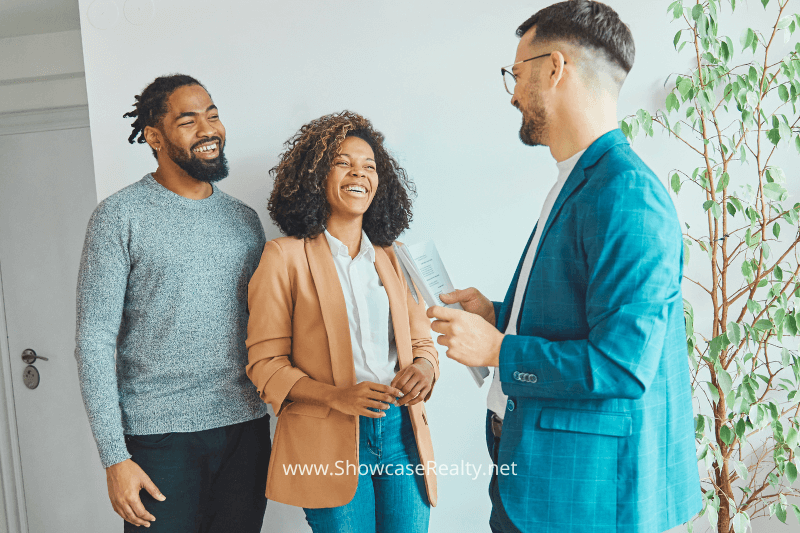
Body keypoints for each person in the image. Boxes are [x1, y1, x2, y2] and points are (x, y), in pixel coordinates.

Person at [427, 2, 702, 532]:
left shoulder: (627, 194)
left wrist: (497, 350)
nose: (511, 93)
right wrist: (499, 315)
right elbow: (582, 315)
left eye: (516, 73)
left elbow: (622, 366)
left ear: (554, 68)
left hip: (581, 499)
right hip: (535, 474)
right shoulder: (579, 179)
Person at [74, 74, 270, 532]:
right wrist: (114, 457)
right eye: (188, 121)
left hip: (244, 430)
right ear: (154, 137)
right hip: (158, 438)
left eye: (213, 115)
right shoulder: (119, 217)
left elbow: (269, 326)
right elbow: (94, 340)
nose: (208, 130)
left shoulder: (244, 220)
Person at [246, 111, 438, 533]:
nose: (359, 173)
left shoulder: (394, 256)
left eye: (369, 166)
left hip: (400, 432)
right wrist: (337, 397)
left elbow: (422, 342)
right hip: (326, 438)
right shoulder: (283, 257)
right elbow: (266, 366)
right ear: (316, 176)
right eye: (343, 162)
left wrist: (425, 368)